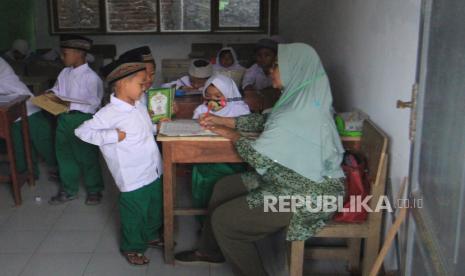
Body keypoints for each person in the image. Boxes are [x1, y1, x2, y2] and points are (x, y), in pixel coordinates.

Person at [175, 43, 346, 276]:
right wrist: (226, 121)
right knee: (225, 186)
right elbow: (266, 122)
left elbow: (259, 158)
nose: (270, 70)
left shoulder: (297, 113)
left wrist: (232, 135)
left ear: (294, 68)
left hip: (306, 194)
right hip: (292, 180)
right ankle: (209, 251)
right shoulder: (299, 101)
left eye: (277, 65)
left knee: (224, 221)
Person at [75, 52, 163, 266]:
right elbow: (82, 131)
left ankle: (151, 234)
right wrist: (113, 136)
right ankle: (132, 246)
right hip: (132, 174)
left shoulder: (138, 104)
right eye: (142, 83)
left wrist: (156, 127)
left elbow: (143, 129)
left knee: (154, 205)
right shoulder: (109, 113)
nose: (145, 87)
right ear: (123, 84)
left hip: (152, 168)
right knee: (134, 212)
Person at [48, 34, 104, 205]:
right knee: (64, 155)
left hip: (83, 119)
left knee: (87, 155)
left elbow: (94, 103)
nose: (62, 56)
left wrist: (70, 103)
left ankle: (94, 190)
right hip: (63, 119)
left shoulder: (91, 77)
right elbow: (57, 89)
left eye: (65, 53)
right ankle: (68, 189)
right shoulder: (64, 72)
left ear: (78, 54)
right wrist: (51, 94)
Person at [191, 74, 250, 222]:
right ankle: (205, 222)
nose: (213, 100)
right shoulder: (201, 110)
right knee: (203, 178)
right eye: (208, 95)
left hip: (234, 160)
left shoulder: (240, 110)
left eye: (218, 95)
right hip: (205, 156)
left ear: (229, 94)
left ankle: (228, 219)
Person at [0, 57, 56, 178]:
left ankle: (63, 172)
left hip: (28, 109)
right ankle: (29, 175)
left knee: (44, 144)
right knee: (19, 148)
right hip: (10, 113)